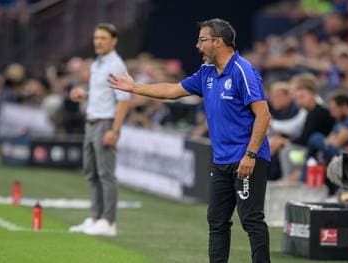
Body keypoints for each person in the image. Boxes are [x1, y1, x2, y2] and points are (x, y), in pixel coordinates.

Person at [109, 18, 271, 263]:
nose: (197, 45)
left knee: (251, 220)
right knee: (216, 221)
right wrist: (134, 88)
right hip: (221, 160)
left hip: (247, 159)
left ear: (218, 42)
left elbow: (264, 115)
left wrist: (250, 156)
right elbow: (172, 91)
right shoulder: (206, 72)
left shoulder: (242, 71)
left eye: (202, 40)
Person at [68, 23, 130, 237]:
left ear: (114, 41)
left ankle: (109, 222)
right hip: (91, 121)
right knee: (92, 172)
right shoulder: (98, 64)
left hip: (105, 122)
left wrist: (115, 130)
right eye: (96, 38)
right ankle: (95, 218)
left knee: (106, 174)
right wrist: (83, 94)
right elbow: (101, 92)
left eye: (103, 38)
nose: (98, 42)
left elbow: (123, 100)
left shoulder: (116, 65)